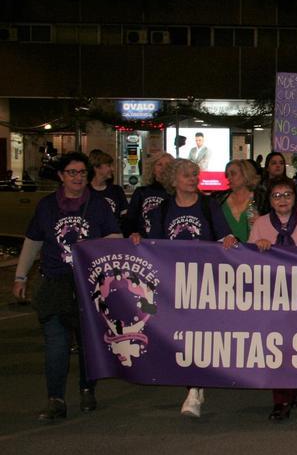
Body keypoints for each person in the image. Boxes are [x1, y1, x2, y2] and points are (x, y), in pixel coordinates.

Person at [12, 152, 122, 420]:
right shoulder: (47, 206)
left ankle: (87, 389)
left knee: (88, 342)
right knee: (56, 344)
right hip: (54, 281)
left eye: (82, 172)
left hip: (88, 284)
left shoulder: (98, 205)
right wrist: (21, 276)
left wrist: (96, 249)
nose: (78, 178)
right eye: (72, 172)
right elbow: (33, 240)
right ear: (61, 176)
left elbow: (114, 236)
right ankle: (55, 398)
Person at [131, 158, 236, 418]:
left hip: (205, 282)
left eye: (194, 174)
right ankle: (195, 385)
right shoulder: (163, 210)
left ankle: (194, 389)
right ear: (173, 180)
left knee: (199, 335)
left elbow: (223, 236)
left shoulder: (209, 205)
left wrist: (231, 239)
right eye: (187, 175)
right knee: (185, 337)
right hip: (174, 284)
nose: (192, 179)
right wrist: (137, 240)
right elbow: (153, 245)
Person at [249, 177, 297, 421]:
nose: (282, 200)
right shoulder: (260, 224)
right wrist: (258, 246)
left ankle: (294, 389)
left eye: (287, 194)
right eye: (277, 195)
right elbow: (247, 260)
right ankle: (281, 400)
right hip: (273, 294)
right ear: (269, 200)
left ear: (295, 196)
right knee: (277, 346)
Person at [123, 153, 173, 237]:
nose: (163, 168)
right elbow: (130, 221)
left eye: (168, 165)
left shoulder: (177, 193)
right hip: (143, 243)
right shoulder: (141, 192)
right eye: (159, 164)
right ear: (153, 169)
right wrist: (132, 234)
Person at [214, 160, 260, 243]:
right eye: (227, 175)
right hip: (224, 252)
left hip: (254, 251)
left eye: (233, 173)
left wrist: (262, 221)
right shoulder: (218, 199)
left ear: (246, 174)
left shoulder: (261, 198)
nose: (229, 178)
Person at [88, 149, 128, 223]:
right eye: (109, 165)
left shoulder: (117, 190)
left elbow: (125, 216)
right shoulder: (85, 191)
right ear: (96, 168)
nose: (112, 169)